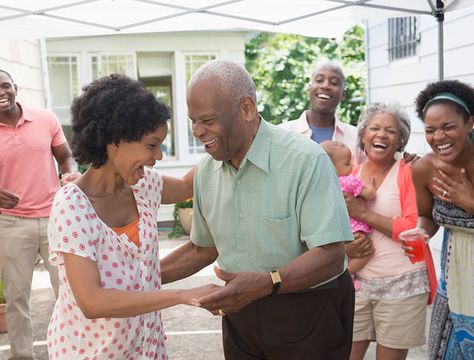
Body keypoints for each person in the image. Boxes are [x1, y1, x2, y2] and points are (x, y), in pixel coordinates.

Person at [161, 59, 355, 360]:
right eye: (193, 120)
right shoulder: (205, 171)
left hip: (310, 310)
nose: (198, 131)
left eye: (208, 120)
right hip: (241, 311)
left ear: (247, 109)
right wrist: (138, 277)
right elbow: (202, 249)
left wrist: (267, 283)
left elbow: (331, 255)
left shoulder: (305, 159)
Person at [46, 74, 220, 359]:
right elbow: (92, 302)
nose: (158, 157)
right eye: (151, 145)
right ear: (116, 138)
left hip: (146, 350)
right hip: (90, 353)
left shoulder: (144, 185)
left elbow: (192, 184)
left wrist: (226, 138)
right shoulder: (73, 206)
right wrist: (183, 295)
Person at [0, 69, 79, 360]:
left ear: (15, 88)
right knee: (17, 297)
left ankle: (73, 350)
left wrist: (70, 174)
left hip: (54, 219)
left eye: (5, 85)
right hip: (10, 223)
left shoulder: (45, 118)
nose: (1, 92)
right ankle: (22, 356)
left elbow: (66, 156)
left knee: (70, 290)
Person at [344, 103, 431, 360]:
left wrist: (365, 214)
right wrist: (346, 249)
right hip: (357, 285)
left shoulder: (408, 171)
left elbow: (413, 228)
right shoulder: (352, 175)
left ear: (400, 139)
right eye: (374, 128)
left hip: (402, 285)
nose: (381, 134)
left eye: (390, 131)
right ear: (363, 136)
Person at [411, 80, 474, 359]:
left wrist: (470, 203)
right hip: (455, 278)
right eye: (430, 130)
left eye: (448, 127)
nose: (439, 137)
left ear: (469, 124)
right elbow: (427, 216)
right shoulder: (424, 168)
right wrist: (420, 232)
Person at [278, 61, 366, 165]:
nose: (325, 86)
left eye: (334, 83)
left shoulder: (357, 138)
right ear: (309, 88)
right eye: (319, 80)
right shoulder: (282, 134)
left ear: (344, 94)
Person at [320, 140, 376, 290]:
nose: (352, 166)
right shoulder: (348, 181)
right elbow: (370, 194)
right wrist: (369, 185)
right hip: (353, 228)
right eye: (347, 164)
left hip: (334, 231)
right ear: (331, 166)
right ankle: (346, 274)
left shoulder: (321, 183)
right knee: (365, 252)